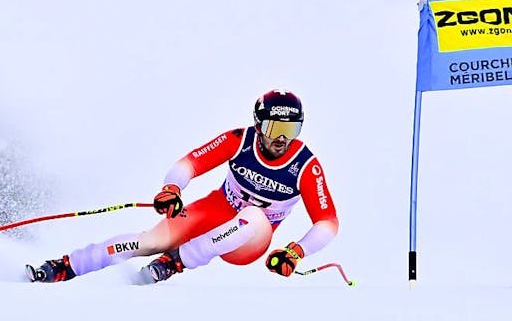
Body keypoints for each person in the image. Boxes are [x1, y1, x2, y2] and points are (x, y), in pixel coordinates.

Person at [25, 89, 340, 284]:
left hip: (247, 241)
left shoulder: (305, 166)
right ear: (259, 125)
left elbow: (327, 223)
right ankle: (65, 266)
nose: (282, 138)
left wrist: (295, 251)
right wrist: (173, 189)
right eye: (274, 128)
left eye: (291, 129)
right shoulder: (239, 140)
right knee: (150, 240)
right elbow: (189, 163)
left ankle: (175, 262)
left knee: (254, 217)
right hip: (217, 210)